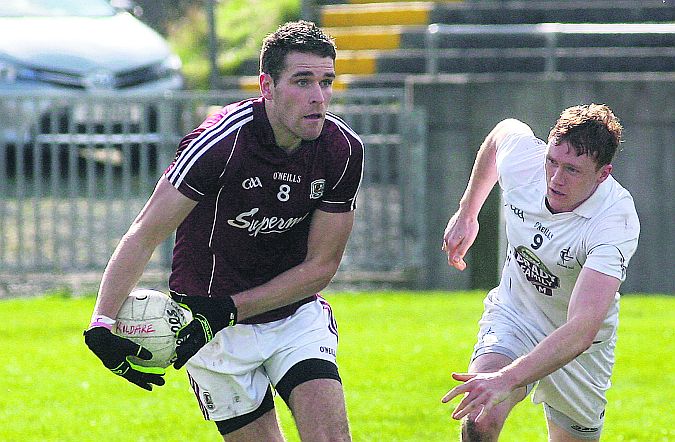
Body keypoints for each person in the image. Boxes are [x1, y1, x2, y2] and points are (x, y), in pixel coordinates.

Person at [84, 20, 362, 441]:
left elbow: (321, 267)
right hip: (207, 330)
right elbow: (144, 233)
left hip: (292, 316)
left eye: (327, 82)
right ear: (266, 86)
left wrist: (231, 308)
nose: (318, 97)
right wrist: (101, 323)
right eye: (302, 82)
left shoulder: (342, 150)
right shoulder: (220, 143)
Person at [440, 104, 640, 441]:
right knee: (480, 416)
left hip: (578, 347)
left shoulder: (614, 220)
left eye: (572, 170)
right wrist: (467, 211)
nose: (555, 178)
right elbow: (501, 133)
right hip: (515, 315)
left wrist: (507, 379)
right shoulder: (526, 161)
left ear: (603, 174)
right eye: (552, 161)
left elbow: (581, 329)